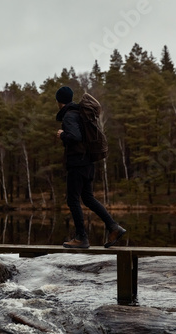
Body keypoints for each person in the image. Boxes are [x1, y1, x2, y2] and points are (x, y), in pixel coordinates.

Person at [55, 86, 126, 248]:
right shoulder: (80, 114)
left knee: (72, 200)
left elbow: (75, 136)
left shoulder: (69, 116)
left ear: (58, 101)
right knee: (87, 198)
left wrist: (62, 135)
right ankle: (113, 227)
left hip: (77, 163)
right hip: (88, 162)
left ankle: (81, 237)